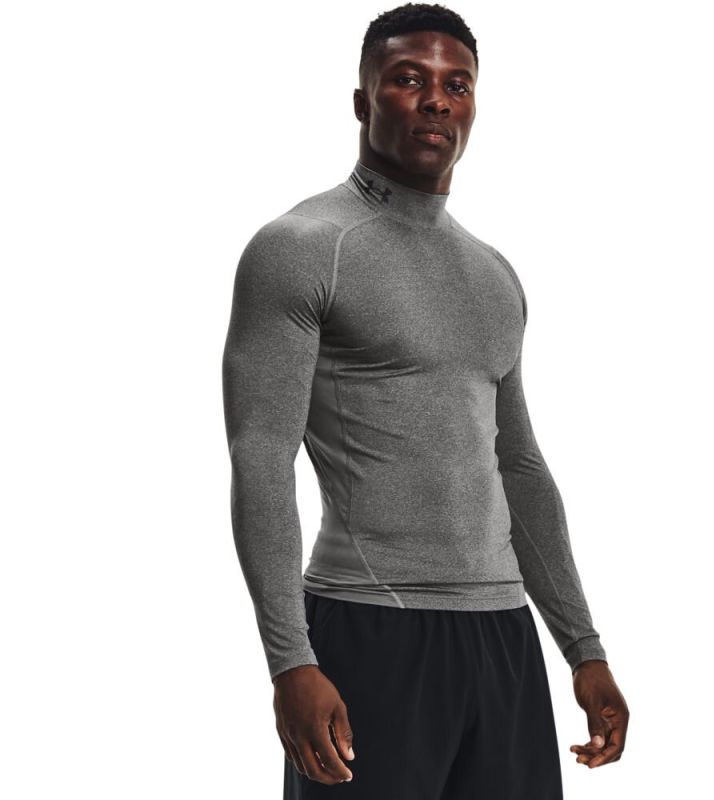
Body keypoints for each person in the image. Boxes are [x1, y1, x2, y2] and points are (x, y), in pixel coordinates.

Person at [222, 3, 629, 797]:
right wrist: (290, 660)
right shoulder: (302, 249)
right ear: (363, 99)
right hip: (370, 628)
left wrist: (583, 648)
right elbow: (262, 457)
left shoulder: (493, 274)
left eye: (457, 85)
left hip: (503, 636)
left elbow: (518, 465)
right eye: (408, 79)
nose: (436, 100)